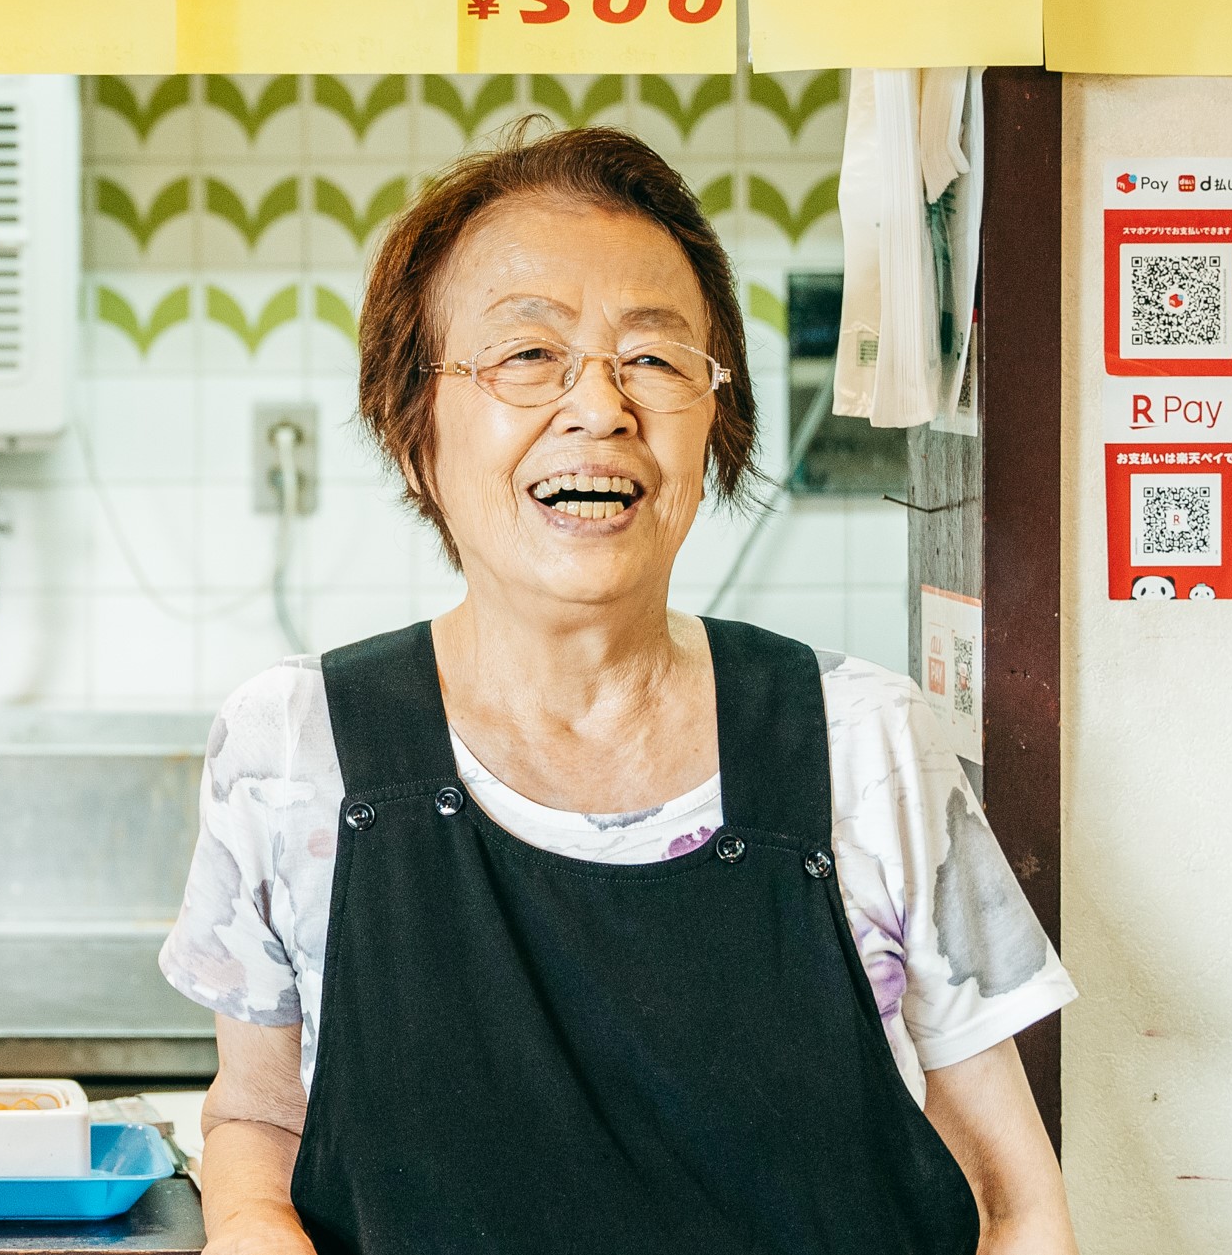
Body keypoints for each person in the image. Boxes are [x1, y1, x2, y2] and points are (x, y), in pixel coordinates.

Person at [161, 125, 1074, 1253]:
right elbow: (254, 1112)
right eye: (525, 356)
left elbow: (1011, 1200)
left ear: (715, 419)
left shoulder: (863, 744)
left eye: (652, 358)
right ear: (414, 435)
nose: (598, 407)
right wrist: (251, 1224)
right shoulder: (291, 749)